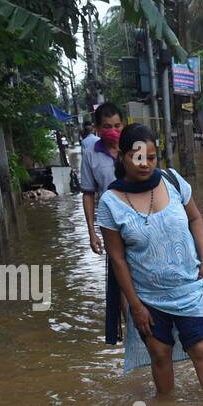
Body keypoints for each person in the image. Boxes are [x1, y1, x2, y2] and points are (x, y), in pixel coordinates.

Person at [95, 123, 203, 401]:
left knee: (201, 349)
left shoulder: (173, 181)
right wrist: (136, 306)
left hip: (189, 288)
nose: (145, 164)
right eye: (136, 157)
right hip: (148, 297)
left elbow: (196, 218)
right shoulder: (110, 202)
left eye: (151, 158)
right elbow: (116, 258)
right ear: (122, 157)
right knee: (160, 355)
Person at [80, 103, 127, 346]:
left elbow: (150, 179)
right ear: (98, 129)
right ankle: (132, 327)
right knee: (120, 278)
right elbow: (88, 193)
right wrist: (91, 232)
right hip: (112, 227)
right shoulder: (91, 155)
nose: (113, 131)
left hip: (140, 222)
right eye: (107, 127)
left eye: (117, 126)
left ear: (124, 125)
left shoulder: (134, 147)